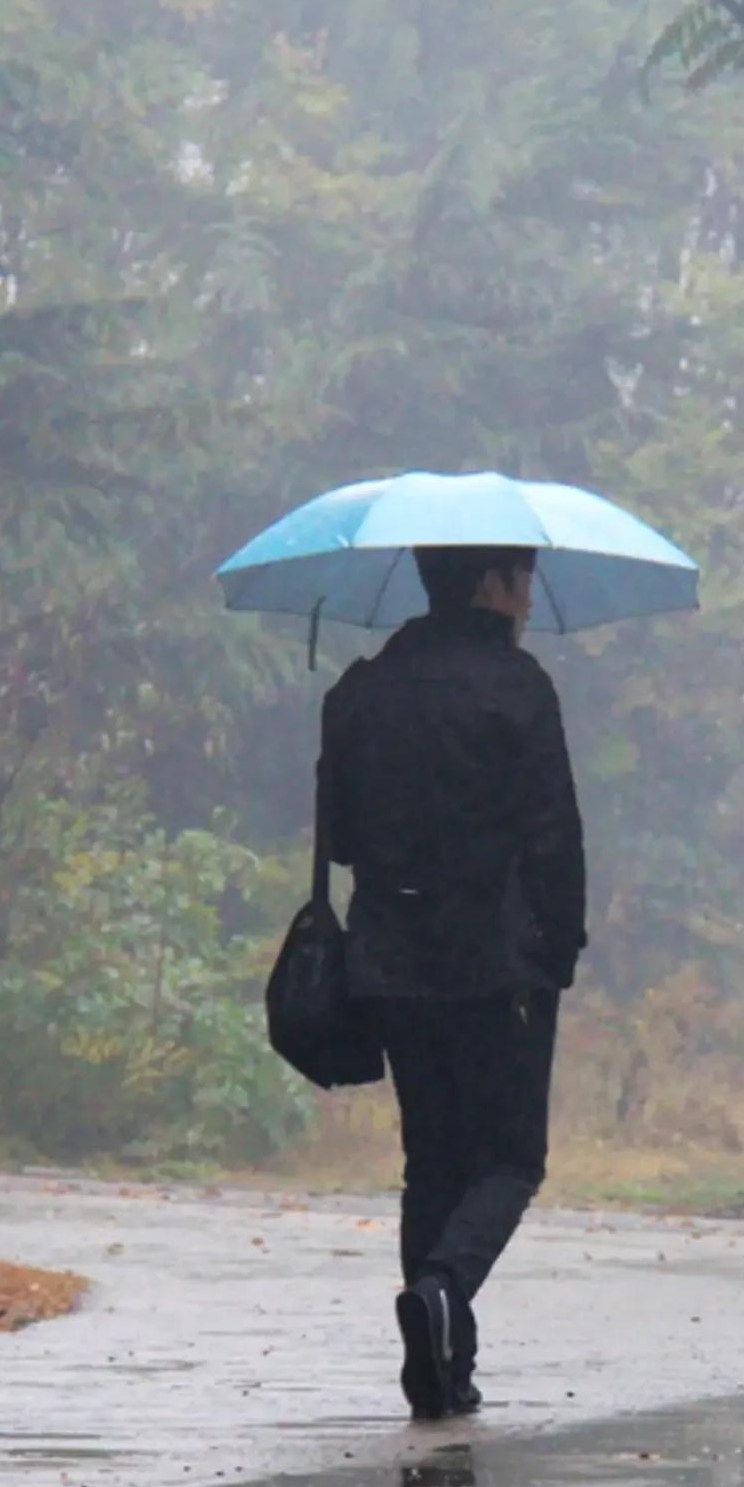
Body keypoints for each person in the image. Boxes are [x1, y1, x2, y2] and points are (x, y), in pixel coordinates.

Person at [322, 544, 585, 1420]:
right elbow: (553, 834)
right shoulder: (517, 688)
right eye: (524, 577)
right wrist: (559, 948)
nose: (530, 595)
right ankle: (442, 1288)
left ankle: (439, 1372)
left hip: (392, 958)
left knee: (430, 1159)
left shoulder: (360, 689)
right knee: (510, 1156)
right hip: (495, 958)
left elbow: (342, 837)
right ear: (489, 584)